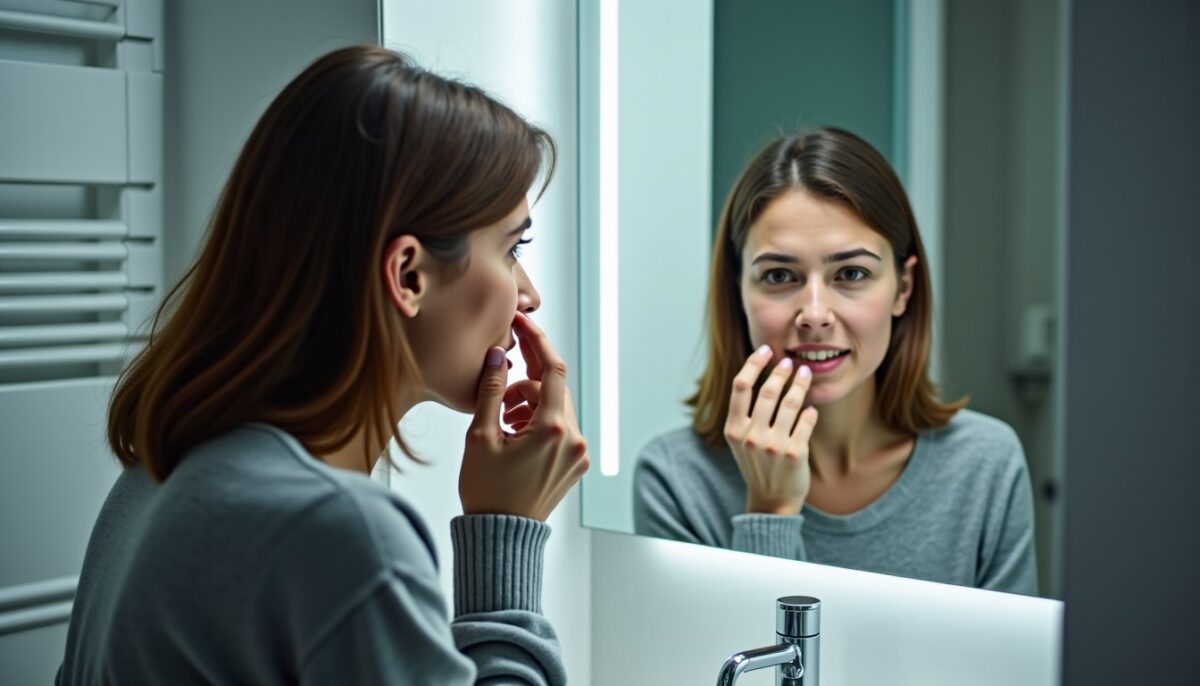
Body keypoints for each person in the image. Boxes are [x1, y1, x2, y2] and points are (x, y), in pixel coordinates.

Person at [57, 45, 588, 684]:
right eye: (512, 248)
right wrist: (507, 532)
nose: (528, 294)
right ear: (409, 274)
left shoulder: (153, 481)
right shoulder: (340, 534)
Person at [633, 127, 1037, 595]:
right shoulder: (676, 480)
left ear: (903, 289)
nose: (815, 315)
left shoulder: (986, 464)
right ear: (737, 290)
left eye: (851, 273)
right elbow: (744, 667)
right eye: (780, 275)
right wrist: (771, 511)